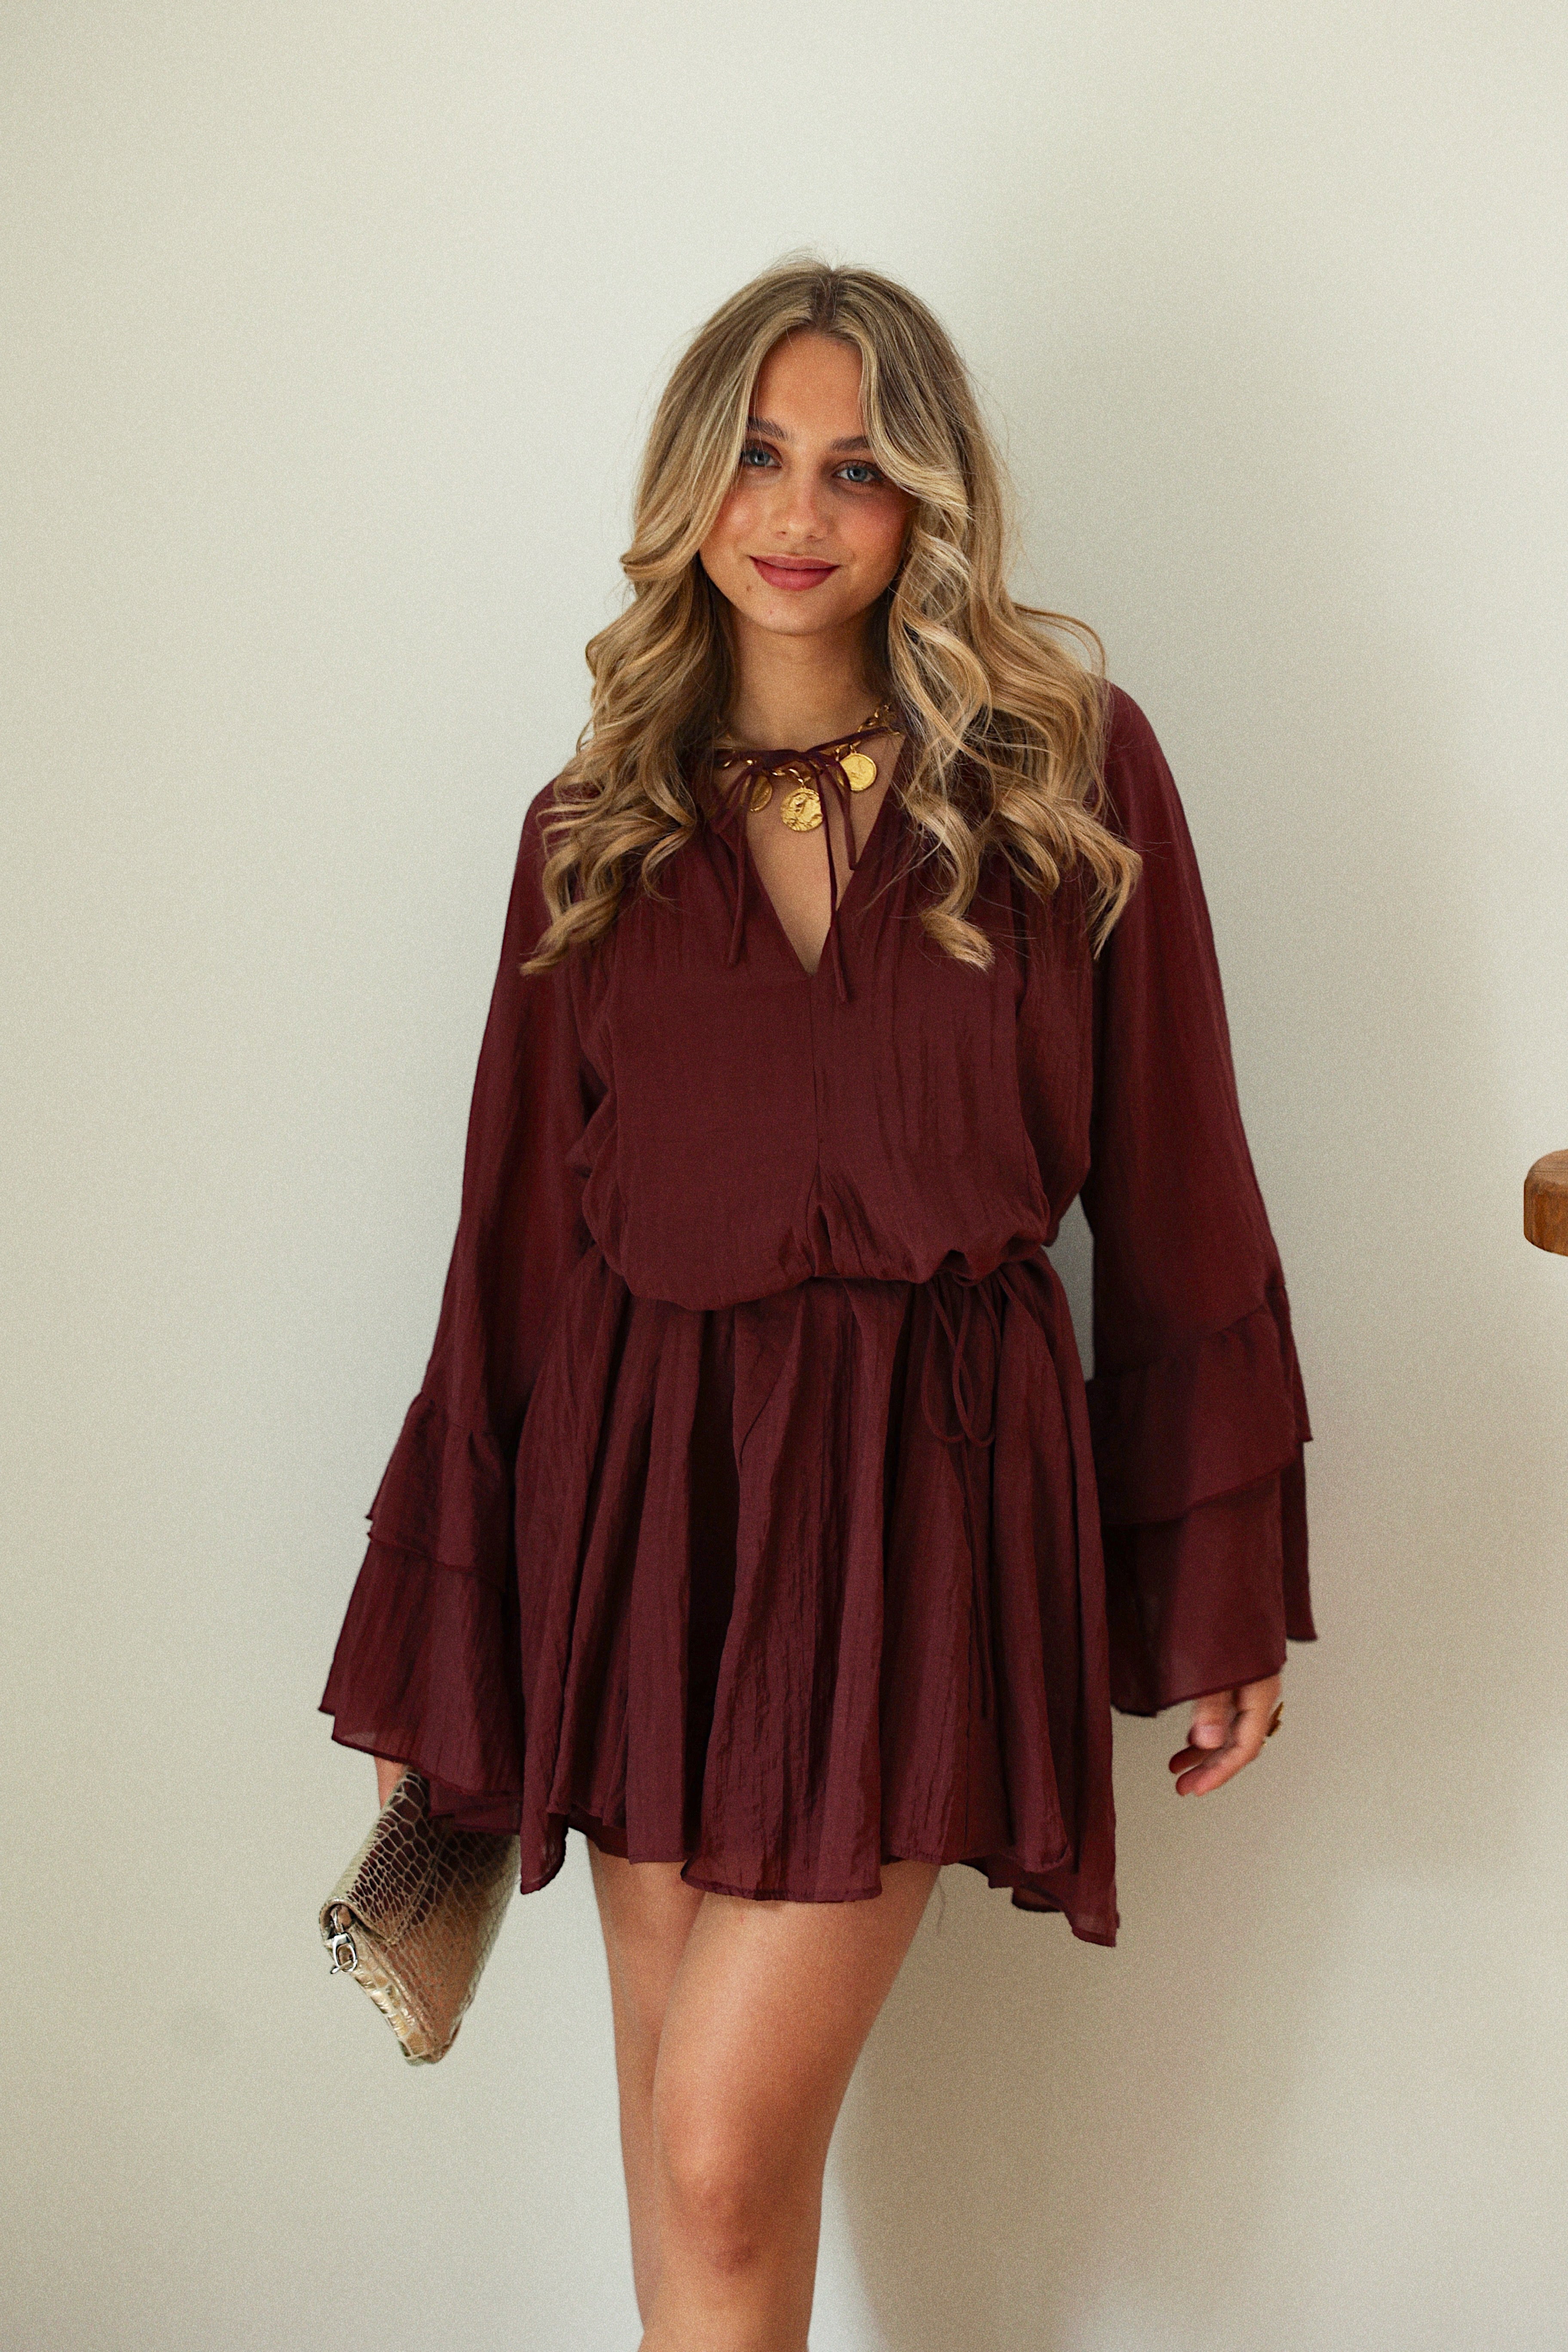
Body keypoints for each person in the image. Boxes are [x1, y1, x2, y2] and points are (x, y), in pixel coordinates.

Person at [320, 258, 1314, 2351]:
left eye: (856, 468)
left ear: (927, 500)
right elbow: (511, 1254)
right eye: (756, 457)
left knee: (719, 2148)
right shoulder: (592, 833)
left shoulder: (1064, 775)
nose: (795, 511)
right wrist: (447, 1636)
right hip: (641, 1501)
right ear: (688, 486)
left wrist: (1215, 1575)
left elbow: (1177, 1174)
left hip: (918, 1497)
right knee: (692, 2193)